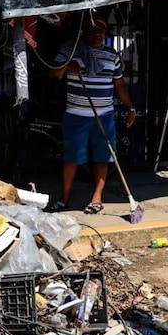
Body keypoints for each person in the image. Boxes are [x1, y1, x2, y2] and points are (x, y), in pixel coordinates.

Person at [47, 17, 136, 214]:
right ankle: (65, 198)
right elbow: (53, 73)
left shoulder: (112, 55)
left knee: (102, 158)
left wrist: (130, 108)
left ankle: (96, 199)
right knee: (72, 158)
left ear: (106, 33)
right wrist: (68, 66)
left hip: (103, 115)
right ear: (83, 31)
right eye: (91, 29)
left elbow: (119, 84)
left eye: (101, 30)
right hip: (76, 115)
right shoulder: (70, 50)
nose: (97, 34)